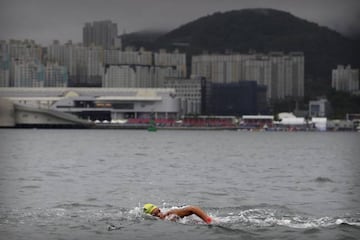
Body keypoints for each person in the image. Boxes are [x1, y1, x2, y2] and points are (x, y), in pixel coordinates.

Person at [143, 203, 212, 224]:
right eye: (155, 215)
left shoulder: (170, 213)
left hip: (208, 221)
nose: (159, 214)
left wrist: (208, 220)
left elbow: (193, 209)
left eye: (159, 211)